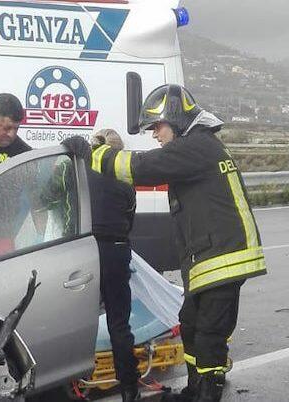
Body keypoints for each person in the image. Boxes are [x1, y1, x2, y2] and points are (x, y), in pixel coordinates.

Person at [62, 84, 267, 402]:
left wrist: (91, 154)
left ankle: (208, 393)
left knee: (210, 336)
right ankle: (195, 390)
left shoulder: (196, 146)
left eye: (157, 127)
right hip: (212, 257)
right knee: (189, 323)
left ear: (175, 118)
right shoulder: (197, 148)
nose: (154, 135)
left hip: (223, 259)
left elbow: (140, 167)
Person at [89, 129, 141, 402]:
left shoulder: (81, 175)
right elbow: (129, 223)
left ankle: (71, 377)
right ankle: (129, 388)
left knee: (78, 319)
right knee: (119, 324)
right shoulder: (126, 182)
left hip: (86, 251)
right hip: (118, 251)